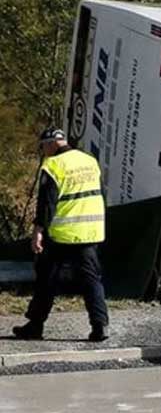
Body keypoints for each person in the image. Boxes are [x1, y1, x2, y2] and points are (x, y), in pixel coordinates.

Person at [12, 128, 109, 342]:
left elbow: (47, 204)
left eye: (44, 146)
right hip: (90, 232)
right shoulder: (89, 160)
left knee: (46, 280)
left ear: (52, 144)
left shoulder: (53, 166)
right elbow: (101, 193)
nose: (44, 151)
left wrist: (38, 231)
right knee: (92, 280)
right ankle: (100, 326)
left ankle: (35, 326)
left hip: (62, 234)